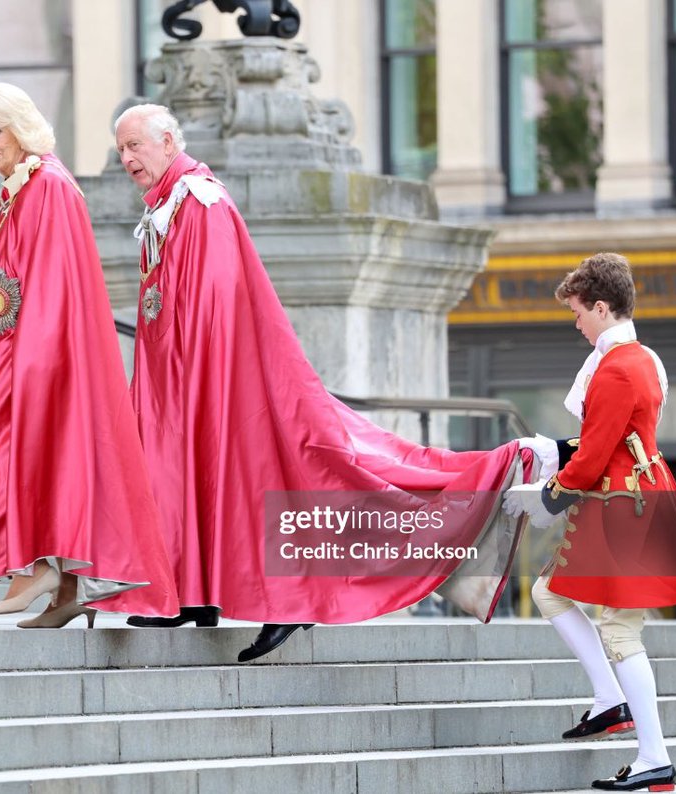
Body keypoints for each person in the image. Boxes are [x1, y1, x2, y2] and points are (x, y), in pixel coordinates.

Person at [113, 104, 534, 661]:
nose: (126, 159)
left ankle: (293, 601)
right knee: (198, 480)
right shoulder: (172, 204)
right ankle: (195, 595)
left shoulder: (202, 201)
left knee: (276, 473)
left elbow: (213, 308)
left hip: (214, 385)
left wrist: (194, 389)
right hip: (187, 386)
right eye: (121, 150)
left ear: (168, 142)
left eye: (135, 146)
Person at [0, 83, 178, 628]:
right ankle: (67, 589)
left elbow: (58, 287)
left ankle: (32, 567)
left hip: (38, 351)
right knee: (37, 457)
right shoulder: (22, 187)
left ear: (22, 128)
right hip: (19, 343)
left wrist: (34, 366)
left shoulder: (48, 185)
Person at [535, 252, 676, 792]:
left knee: (619, 629)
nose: (576, 323)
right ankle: (611, 702)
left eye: (579, 312)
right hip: (633, 499)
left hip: (622, 505)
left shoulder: (616, 367)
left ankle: (653, 755)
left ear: (601, 307)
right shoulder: (645, 359)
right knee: (550, 591)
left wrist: (548, 496)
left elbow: (597, 450)